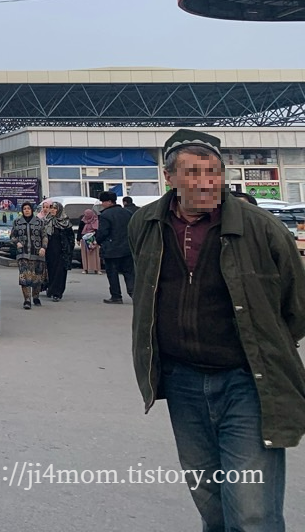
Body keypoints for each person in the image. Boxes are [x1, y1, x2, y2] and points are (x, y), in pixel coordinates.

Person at [129, 128, 305, 532]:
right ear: (169, 177)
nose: (205, 181)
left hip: (248, 382)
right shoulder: (146, 223)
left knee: (252, 512)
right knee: (211, 503)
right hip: (183, 382)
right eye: (192, 172)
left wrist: (266, 345)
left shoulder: (262, 228)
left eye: (213, 172)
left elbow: (297, 306)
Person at [93, 191, 134, 304]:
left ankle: (116, 296)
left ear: (109, 202)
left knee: (112, 273)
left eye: (103, 201)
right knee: (129, 273)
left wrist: (97, 241)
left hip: (111, 249)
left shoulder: (105, 215)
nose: (102, 204)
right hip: (127, 248)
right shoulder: (128, 213)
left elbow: (103, 232)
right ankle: (134, 294)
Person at [9, 202, 46, 309]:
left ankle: (36, 297)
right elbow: (12, 236)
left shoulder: (39, 222)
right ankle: (27, 300)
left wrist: (43, 247)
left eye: (28, 208)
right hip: (23, 254)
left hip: (37, 253)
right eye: (24, 208)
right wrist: (17, 243)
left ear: (32, 210)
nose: (26, 210)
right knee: (24, 278)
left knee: (37, 277)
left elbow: (44, 236)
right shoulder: (17, 222)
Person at [42, 200, 75, 301]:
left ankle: (57, 293)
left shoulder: (65, 223)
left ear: (59, 210)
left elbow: (70, 238)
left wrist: (69, 251)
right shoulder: (47, 221)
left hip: (62, 252)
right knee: (50, 271)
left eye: (55, 208)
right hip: (49, 252)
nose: (52, 210)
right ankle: (50, 288)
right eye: (51, 208)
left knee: (60, 272)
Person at [79, 203, 103, 275]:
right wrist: (78, 239)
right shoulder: (83, 221)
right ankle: (85, 269)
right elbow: (80, 230)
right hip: (84, 239)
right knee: (85, 255)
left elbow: (98, 230)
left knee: (95, 255)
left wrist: (97, 239)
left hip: (94, 239)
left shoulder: (96, 221)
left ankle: (97, 269)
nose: (86, 216)